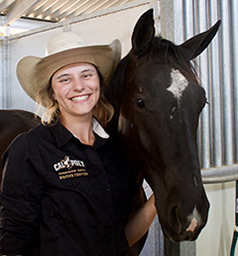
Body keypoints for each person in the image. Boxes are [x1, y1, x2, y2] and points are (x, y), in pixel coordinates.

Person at [0, 32, 157, 256]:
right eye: (65, 79)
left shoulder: (116, 153)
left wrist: (156, 201)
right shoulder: (29, 150)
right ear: (53, 92)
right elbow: (14, 244)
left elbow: (120, 241)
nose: (79, 86)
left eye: (86, 75)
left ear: (99, 83)